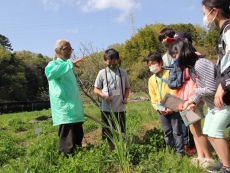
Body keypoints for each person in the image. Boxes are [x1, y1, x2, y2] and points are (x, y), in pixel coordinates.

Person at [168, 38, 214, 168]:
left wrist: (194, 100)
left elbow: (198, 85)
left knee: (197, 129)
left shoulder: (197, 62)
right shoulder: (187, 66)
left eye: (175, 55)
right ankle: (201, 156)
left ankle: (208, 157)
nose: (174, 59)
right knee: (193, 130)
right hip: (185, 100)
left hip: (193, 100)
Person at [201, 0, 230, 172]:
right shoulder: (224, 32)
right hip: (225, 86)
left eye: (205, 13)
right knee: (210, 130)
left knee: (216, 132)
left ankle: (227, 166)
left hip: (227, 88)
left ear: (215, 11)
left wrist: (223, 86)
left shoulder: (229, 31)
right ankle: (223, 159)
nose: (205, 18)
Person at [45, 39, 85, 156]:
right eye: (66, 49)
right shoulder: (53, 64)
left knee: (77, 137)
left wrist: (69, 64)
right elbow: (50, 74)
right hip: (65, 109)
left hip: (74, 108)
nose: (69, 51)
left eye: (70, 49)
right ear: (57, 51)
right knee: (67, 141)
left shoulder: (67, 66)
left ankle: (78, 158)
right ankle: (66, 160)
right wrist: (70, 63)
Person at [147, 52, 184, 156]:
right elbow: (153, 96)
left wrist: (171, 107)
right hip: (161, 110)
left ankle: (179, 152)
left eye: (153, 63)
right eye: (149, 65)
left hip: (173, 107)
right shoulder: (151, 80)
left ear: (160, 62)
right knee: (167, 132)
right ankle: (171, 151)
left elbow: (174, 90)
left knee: (177, 131)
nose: (151, 66)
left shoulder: (169, 73)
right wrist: (158, 108)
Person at [94, 48, 130, 151]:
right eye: (109, 62)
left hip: (120, 108)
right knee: (108, 131)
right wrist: (104, 96)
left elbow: (127, 87)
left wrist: (126, 98)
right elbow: (96, 89)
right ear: (105, 61)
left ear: (118, 60)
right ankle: (112, 151)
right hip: (107, 109)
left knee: (121, 131)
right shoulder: (102, 73)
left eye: (114, 62)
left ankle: (122, 150)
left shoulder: (123, 72)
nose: (112, 64)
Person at [173, 32, 197, 155]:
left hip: (192, 97)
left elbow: (197, 81)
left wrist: (192, 98)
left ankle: (198, 150)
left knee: (194, 126)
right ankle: (191, 146)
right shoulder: (180, 61)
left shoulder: (194, 59)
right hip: (182, 96)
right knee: (187, 124)